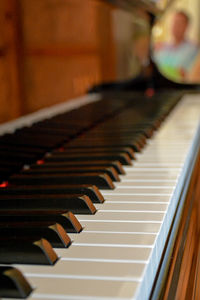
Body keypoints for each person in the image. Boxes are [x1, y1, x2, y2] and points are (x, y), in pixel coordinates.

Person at [153, 11, 198, 82]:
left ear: (186, 26)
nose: (175, 26)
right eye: (174, 22)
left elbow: (187, 74)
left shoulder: (194, 49)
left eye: (179, 23)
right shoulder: (160, 47)